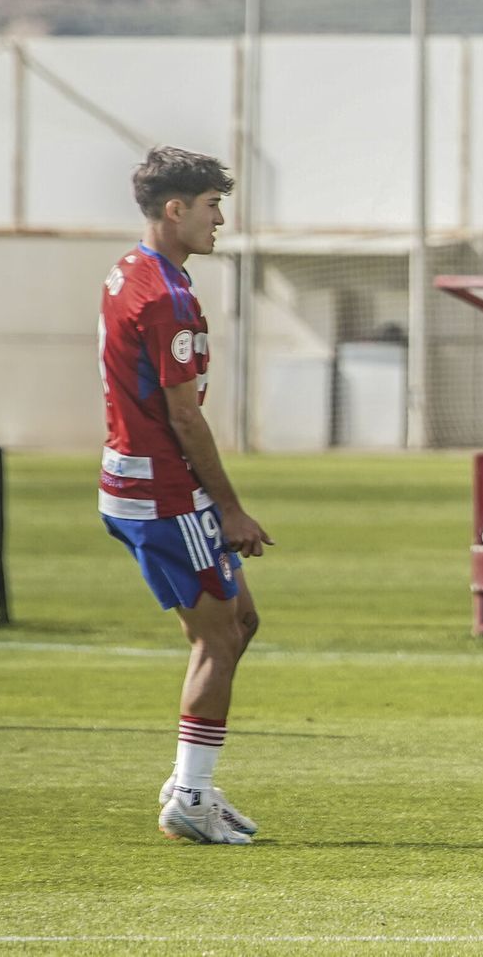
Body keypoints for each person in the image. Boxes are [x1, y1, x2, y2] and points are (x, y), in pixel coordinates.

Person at [98, 147, 271, 845]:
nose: (220, 219)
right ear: (176, 210)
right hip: (165, 491)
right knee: (219, 635)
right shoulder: (165, 295)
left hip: (139, 481)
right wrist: (228, 508)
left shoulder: (128, 272)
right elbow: (184, 415)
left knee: (240, 622)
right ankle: (191, 797)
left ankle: (188, 779)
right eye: (210, 205)